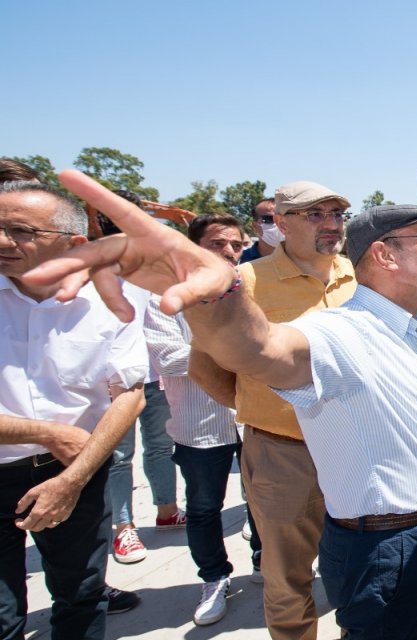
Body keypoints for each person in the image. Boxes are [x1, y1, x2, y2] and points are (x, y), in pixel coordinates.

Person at [26, 175, 417, 639]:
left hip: (408, 515)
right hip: (309, 474)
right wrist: (216, 297)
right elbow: (258, 349)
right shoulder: (321, 318)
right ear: (385, 255)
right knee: (288, 579)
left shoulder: (398, 311)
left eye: (337, 214)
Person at [188, 179, 356, 640]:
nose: (331, 225)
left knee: (359, 565)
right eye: (316, 215)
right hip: (284, 456)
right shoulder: (247, 282)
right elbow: (204, 367)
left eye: (338, 214)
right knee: (287, 579)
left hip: (356, 449)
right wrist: (258, 408)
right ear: (280, 223)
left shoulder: (360, 276)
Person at [0, 180, 148, 638]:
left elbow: (129, 393)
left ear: (74, 243)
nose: (4, 241)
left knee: (81, 596)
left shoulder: (111, 302)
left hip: (76, 473)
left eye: (20, 230)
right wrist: (49, 432)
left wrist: (73, 478)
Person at [143, 213, 257, 626]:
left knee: (261, 500)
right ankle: (214, 578)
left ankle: (262, 561)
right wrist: (236, 347)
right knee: (205, 508)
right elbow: (167, 358)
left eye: (237, 245)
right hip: (199, 427)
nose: (229, 252)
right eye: (217, 244)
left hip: (252, 418)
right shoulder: (165, 298)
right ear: (194, 248)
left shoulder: (252, 290)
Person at [103, 188, 184, 566]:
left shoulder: (152, 265)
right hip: (111, 383)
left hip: (153, 376)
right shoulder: (86, 268)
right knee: (119, 457)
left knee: (159, 447)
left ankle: (167, 510)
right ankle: (124, 529)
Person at [239, 197, 279, 263]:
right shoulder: (239, 260)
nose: (278, 224)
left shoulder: (299, 260)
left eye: (283, 219)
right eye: (269, 219)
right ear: (255, 226)